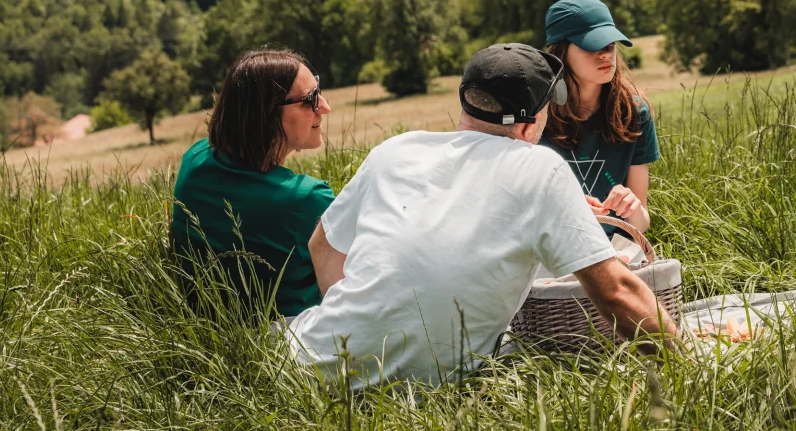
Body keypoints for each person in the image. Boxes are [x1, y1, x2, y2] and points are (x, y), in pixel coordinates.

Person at [288, 43, 679, 387]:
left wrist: (368, 323)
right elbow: (616, 292)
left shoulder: (395, 149)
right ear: (529, 126)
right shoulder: (541, 168)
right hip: (431, 389)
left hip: (310, 367)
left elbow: (322, 245)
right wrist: (689, 364)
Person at [170, 48, 334, 318]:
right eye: (310, 100)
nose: (325, 107)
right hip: (292, 340)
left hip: (205, 329)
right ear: (267, 113)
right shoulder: (306, 199)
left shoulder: (195, 159)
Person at [540, 0, 659, 234]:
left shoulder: (635, 113)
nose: (605, 54)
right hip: (550, 249)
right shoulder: (534, 115)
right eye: (591, 46)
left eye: (610, 45)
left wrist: (632, 207)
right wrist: (564, 209)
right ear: (560, 53)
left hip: (614, 251)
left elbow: (641, 225)